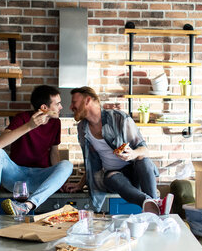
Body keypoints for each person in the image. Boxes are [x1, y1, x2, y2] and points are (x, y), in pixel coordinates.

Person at [62, 86, 172, 214]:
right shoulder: (83, 128)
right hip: (115, 180)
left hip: (136, 174)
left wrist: (133, 154)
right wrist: (80, 185)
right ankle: (154, 203)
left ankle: (153, 204)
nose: (71, 107)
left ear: (87, 101)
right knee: (110, 177)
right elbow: (90, 163)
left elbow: (144, 150)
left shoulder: (119, 118)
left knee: (144, 160)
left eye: (74, 102)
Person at [0, 85, 73, 216]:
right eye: (57, 104)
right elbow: (0, 143)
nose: (61, 107)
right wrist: (30, 126)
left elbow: (54, 153)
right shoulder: (22, 118)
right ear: (44, 108)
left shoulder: (56, 123)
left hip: (39, 178)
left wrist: (60, 180)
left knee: (67, 165)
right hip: (15, 177)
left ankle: (26, 206)